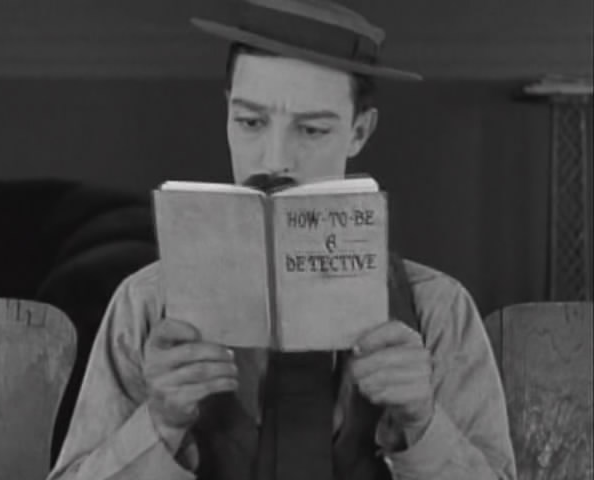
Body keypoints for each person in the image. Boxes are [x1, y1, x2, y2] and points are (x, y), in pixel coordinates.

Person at [48, 1, 517, 479]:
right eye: (250, 122)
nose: (274, 160)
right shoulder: (145, 305)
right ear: (227, 114)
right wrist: (159, 424)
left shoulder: (438, 311)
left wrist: (423, 425)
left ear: (359, 131)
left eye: (311, 129)